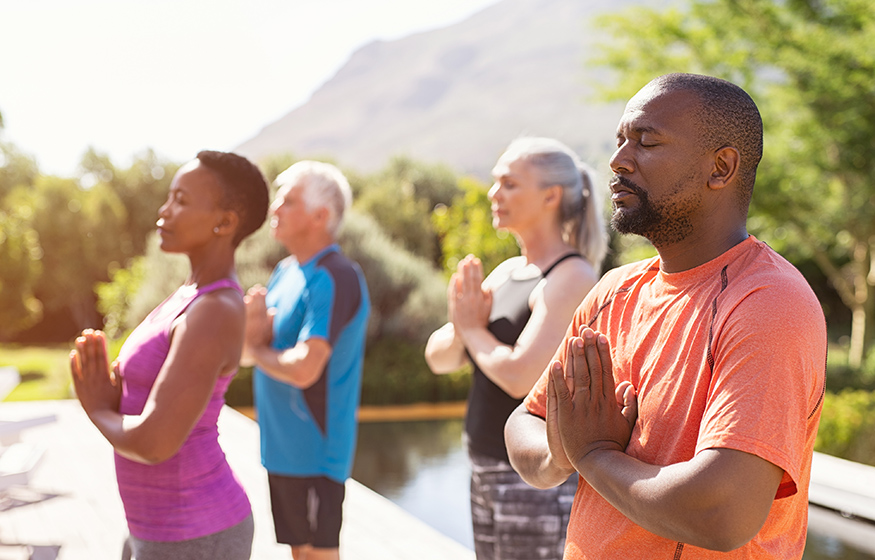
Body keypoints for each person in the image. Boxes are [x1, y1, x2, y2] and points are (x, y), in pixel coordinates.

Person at [504, 73, 827, 559]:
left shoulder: (767, 302)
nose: (617, 161)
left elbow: (723, 513)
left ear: (720, 168)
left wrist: (593, 455)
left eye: (646, 141)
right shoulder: (615, 292)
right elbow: (525, 423)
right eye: (619, 141)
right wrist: (562, 451)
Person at [69, 150, 270, 559]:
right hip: (156, 528)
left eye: (181, 200)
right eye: (169, 197)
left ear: (225, 222)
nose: (164, 210)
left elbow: (156, 443)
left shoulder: (215, 310)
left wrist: (97, 409)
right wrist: (113, 396)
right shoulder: (189, 294)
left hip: (195, 533)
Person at [425, 137, 608, 560]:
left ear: (550, 195)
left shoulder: (571, 276)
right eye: (495, 183)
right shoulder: (509, 271)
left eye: (509, 184)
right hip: (486, 468)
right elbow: (439, 358)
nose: (494, 194)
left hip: (533, 479)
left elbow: (519, 377)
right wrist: (463, 328)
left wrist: (471, 330)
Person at [242, 160, 370, 560]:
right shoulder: (286, 271)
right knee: (300, 554)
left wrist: (258, 349)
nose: (275, 208)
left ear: (321, 216)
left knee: (318, 554)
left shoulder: (335, 275)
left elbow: (304, 368)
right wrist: (253, 333)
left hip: (316, 453)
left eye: (289, 200)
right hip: (281, 450)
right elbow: (250, 354)